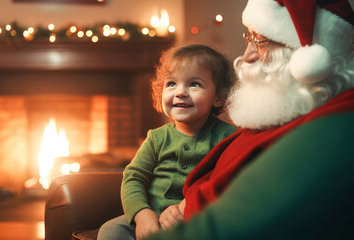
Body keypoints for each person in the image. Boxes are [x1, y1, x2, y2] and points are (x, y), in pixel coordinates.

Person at [147, 0, 354, 239]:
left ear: (307, 58)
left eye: (261, 42)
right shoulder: (281, 114)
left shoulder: (327, 130)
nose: (247, 55)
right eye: (249, 39)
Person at [97, 44, 238, 240]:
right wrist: (142, 215)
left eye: (194, 84)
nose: (180, 92)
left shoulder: (226, 136)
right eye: (171, 84)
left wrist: (187, 207)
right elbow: (134, 178)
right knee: (111, 230)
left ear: (218, 96)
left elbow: (224, 181)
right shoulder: (157, 137)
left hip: (194, 221)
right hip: (151, 217)